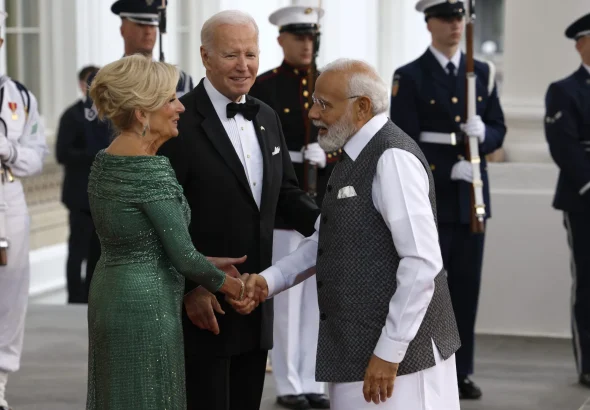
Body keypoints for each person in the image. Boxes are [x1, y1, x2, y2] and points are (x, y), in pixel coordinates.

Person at [241, 58, 461, 410]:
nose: (313, 114)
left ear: (362, 107)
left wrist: (389, 353)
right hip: (358, 353)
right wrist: (269, 282)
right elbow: (328, 240)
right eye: (315, 101)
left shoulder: (391, 158)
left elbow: (421, 263)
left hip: (399, 364)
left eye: (324, 104)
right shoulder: (353, 156)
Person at [157, 10, 321, 410]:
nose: (243, 66)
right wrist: (189, 287)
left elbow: (285, 193)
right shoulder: (178, 121)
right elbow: (164, 219)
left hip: (254, 298)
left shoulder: (266, 115)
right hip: (203, 303)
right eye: (231, 55)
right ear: (205, 57)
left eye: (251, 54)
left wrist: (329, 223)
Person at [85, 54, 249, 410]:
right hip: (146, 306)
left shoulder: (105, 160)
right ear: (143, 113)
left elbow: (137, 241)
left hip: (109, 295)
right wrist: (239, 289)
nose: (180, 107)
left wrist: (208, 262)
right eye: (171, 99)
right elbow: (184, 258)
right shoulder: (150, 171)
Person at [388, 0, 506, 399]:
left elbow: (498, 126)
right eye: (446, 18)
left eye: (459, 18)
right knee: (431, 287)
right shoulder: (410, 75)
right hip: (432, 195)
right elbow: (404, 141)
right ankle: (429, 366)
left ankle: (463, 370)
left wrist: (485, 135)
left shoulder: (482, 73)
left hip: (471, 194)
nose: (455, 25)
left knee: (467, 288)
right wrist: (441, 168)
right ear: (429, 23)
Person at [248, 4, 335, 409]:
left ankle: (314, 379)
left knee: (318, 300)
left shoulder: (329, 83)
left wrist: (328, 156)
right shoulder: (265, 87)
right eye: (299, 37)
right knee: (286, 300)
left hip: (323, 203)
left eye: (311, 37)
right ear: (281, 40)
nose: (306, 44)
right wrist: (299, 158)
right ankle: (287, 382)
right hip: (286, 207)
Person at [83, 0, 195, 301]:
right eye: (141, 24)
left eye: (153, 25)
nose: (149, 33)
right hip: (121, 197)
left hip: (169, 187)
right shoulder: (109, 80)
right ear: (123, 27)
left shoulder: (180, 80)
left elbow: (186, 139)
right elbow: (100, 140)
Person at [0, 9, 48, 410]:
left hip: (8, 196)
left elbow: (36, 155)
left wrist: (10, 150)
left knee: (10, 292)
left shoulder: (19, 95)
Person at [544, 12, 590, 389]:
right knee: (589, 282)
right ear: (581, 44)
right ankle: (589, 363)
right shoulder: (565, 90)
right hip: (584, 199)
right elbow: (565, 146)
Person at [56, 65, 99, 304]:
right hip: (79, 198)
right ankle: (74, 297)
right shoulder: (71, 115)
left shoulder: (107, 117)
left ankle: (92, 295)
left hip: (100, 199)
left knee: (97, 252)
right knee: (77, 252)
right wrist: (93, 155)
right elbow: (62, 153)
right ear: (83, 86)